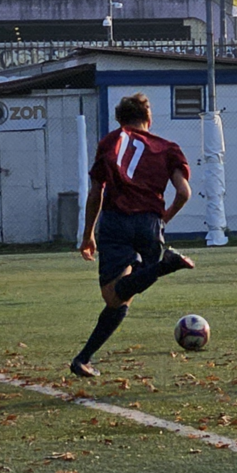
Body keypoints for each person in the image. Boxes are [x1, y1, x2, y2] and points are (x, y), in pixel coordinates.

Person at [71, 92, 195, 378]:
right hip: (150, 225)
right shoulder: (168, 148)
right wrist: (162, 220)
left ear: (120, 120)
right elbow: (183, 192)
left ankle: (166, 265)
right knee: (122, 297)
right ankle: (82, 359)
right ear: (148, 118)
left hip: (116, 221)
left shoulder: (110, 142)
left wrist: (88, 234)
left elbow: (96, 192)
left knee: (113, 295)